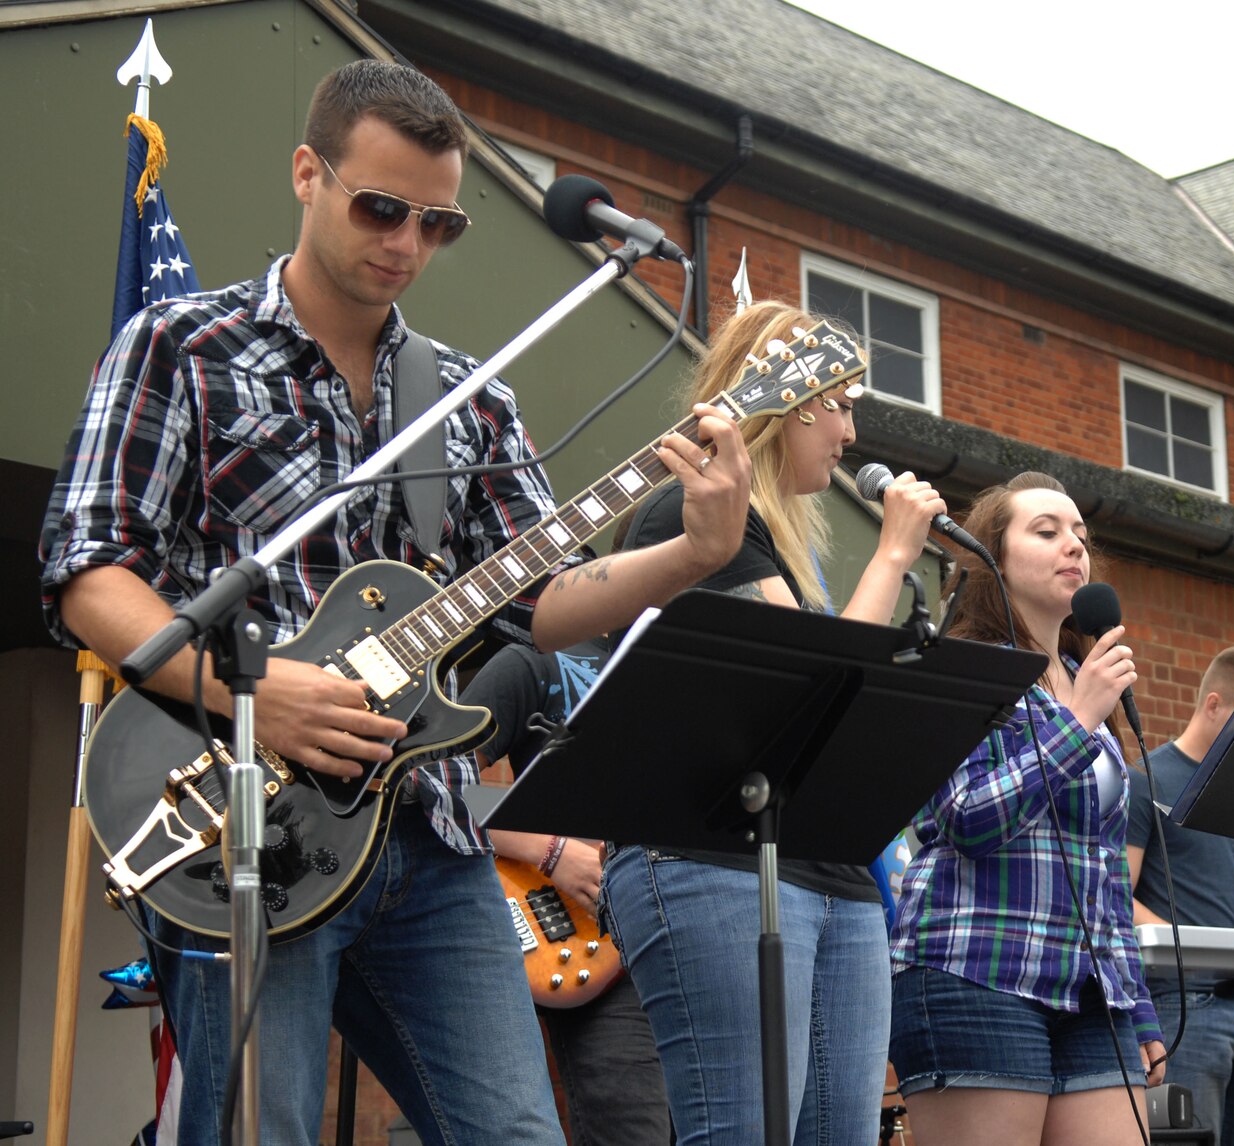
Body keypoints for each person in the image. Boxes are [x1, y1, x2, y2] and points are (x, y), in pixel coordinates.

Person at [39, 60, 751, 1145]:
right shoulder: (181, 347)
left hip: (432, 834)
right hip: (246, 820)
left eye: (438, 224)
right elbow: (89, 570)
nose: (407, 243)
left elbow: (540, 601)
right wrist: (253, 695)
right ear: (306, 173)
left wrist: (692, 553)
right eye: (380, 208)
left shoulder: (472, 399)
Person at [600, 298, 946, 1145]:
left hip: (831, 874)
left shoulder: (791, 552)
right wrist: (893, 554)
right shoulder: (687, 517)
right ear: (787, 401)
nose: (851, 434)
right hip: (715, 863)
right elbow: (814, 692)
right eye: (842, 405)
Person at [888, 471, 1164, 1146]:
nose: (1074, 546)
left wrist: (1138, 1005)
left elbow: (1104, 868)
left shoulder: (1080, 678)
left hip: (1091, 991)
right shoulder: (964, 664)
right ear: (995, 558)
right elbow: (966, 819)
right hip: (978, 966)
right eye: (1046, 532)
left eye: (1081, 535)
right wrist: (1078, 721)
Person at [469, 634, 676, 1145]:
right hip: (597, 947)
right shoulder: (537, 661)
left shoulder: (717, 681)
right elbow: (428, 781)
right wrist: (551, 851)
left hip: (701, 935)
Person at [1125, 644, 1234, 1145]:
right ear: (1213, 704)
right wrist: (1190, 943)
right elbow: (1116, 897)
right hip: (1183, 1009)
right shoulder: (1145, 780)